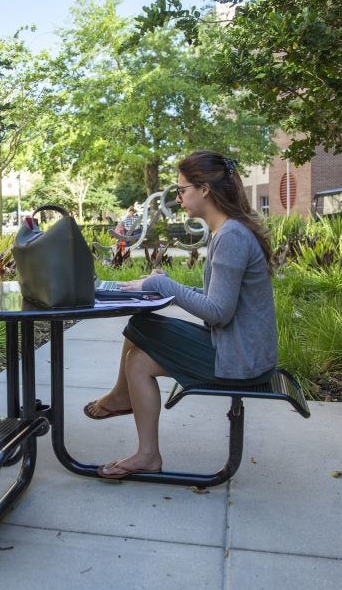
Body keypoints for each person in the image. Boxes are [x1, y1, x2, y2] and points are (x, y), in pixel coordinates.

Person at [83, 150, 277, 479]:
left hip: (241, 359)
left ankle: (145, 450)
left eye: (181, 189)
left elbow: (219, 313)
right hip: (241, 350)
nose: (178, 196)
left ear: (204, 190)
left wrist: (163, 284)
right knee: (141, 324)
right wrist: (160, 287)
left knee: (139, 359)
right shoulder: (228, 231)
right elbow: (222, 299)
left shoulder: (230, 237)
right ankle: (124, 404)